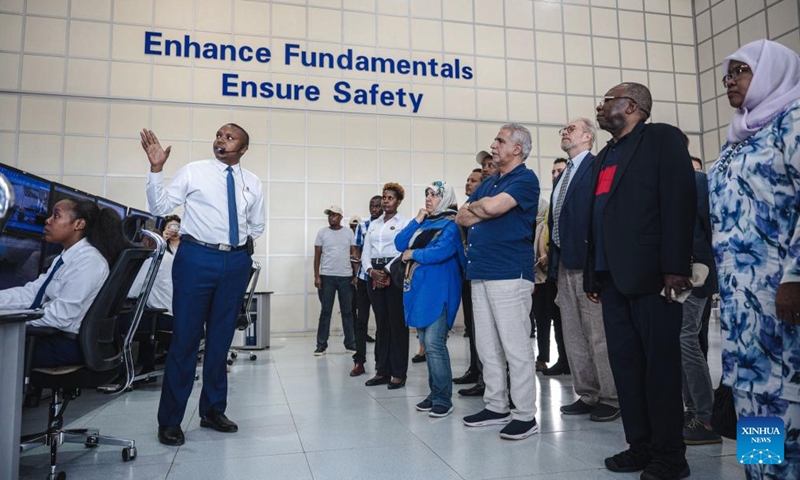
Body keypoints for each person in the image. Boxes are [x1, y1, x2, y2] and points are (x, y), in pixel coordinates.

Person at [584, 83, 696, 479]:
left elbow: (680, 201)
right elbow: (599, 216)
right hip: (612, 277)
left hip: (654, 275)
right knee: (627, 367)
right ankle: (641, 445)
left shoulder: (661, 139)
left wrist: (675, 265)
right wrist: (594, 273)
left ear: (631, 106)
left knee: (659, 367)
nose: (599, 106)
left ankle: (670, 455)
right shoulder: (605, 155)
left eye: (607, 100)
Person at [709, 39, 800, 480]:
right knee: (751, 401)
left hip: (782, 296)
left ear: (769, 72)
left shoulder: (793, 120)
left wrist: (796, 277)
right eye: (728, 74)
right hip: (741, 306)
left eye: (740, 71)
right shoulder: (737, 137)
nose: (730, 80)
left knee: (787, 402)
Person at [141, 123, 265, 447]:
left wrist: (236, 248)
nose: (220, 141)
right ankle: (170, 420)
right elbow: (159, 207)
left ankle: (212, 410)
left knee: (221, 341)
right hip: (196, 257)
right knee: (185, 339)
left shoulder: (252, 182)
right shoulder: (194, 172)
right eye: (218, 136)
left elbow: (258, 224)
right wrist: (156, 169)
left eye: (229, 137)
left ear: (243, 148)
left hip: (236, 262)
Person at [456, 123, 541, 441]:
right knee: (487, 346)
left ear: (517, 149)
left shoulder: (525, 179)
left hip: (509, 273)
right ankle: (496, 406)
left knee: (515, 346)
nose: (494, 145)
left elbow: (488, 208)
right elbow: (461, 216)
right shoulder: (490, 182)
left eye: (500, 140)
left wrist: (484, 209)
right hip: (480, 272)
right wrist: (483, 210)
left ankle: (524, 414)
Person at [1, 199, 129, 368]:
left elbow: (60, 316)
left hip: (64, 345)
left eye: (56, 216)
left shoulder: (89, 261)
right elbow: (33, 293)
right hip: (53, 338)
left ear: (79, 224)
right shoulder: (66, 257)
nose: (48, 220)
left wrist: (10, 321)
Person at [396, 181, 465, 418]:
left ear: (445, 199)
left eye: (434, 195)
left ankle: (443, 398)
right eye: (427, 194)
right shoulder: (424, 223)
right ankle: (434, 393)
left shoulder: (451, 224)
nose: (428, 198)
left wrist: (412, 253)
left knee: (435, 344)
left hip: (440, 289)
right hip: (418, 290)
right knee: (426, 341)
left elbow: (440, 252)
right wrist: (416, 219)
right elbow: (398, 243)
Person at [680, 169, 721, 445]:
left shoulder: (699, 180)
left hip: (703, 270)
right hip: (679, 273)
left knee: (685, 338)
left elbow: (712, 227)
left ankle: (706, 418)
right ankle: (697, 413)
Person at [361, 183, 410, 389]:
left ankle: (398, 373)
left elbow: (405, 249)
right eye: (384, 197)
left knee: (396, 323)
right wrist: (371, 271)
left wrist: (387, 271)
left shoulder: (405, 222)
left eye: (390, 197)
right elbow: (366, 251)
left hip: (395, 272)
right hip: (374, 274)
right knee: (381, 324)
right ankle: (382, 371)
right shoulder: (373, 224)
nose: (386, 200)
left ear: (398, 201)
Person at [313, 205, 357, 359]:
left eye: (334, 215)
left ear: (341, 217)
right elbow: (317, 255)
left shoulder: (349, 232)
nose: (331, 218)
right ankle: (321, 345)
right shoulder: (322, 233)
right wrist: (317, 276)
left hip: (346, 276)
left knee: (347, 312)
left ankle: (351, 344)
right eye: (329, 215)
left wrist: (356, 274)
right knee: (325, 312)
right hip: (327, 277)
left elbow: (353, 253)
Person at [453, 168, 484, 389]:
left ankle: (485, 376)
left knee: (483, 328)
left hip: (482, 271)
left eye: (473, 180)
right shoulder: (465, 207)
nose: (468, 183)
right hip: (466, 271)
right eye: (467, 179)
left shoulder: (484, 206)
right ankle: (474, 369)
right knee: (472, 327)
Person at [540, 159, 570, 377]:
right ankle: (563, 359)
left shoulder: (570, 199)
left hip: (567, 265)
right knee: (556, 316)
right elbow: (545, 232)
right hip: (551, 267)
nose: (555, 174)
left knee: (570, 318)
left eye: (560, 171)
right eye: (553, 171)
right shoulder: (553, 202)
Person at [351, 196, 382, 377]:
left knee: (381, 322)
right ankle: (359, 362)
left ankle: (380, 361)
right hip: (364, 278)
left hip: (380, 279)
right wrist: (357, 274)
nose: (374, 209)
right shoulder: (363, 226)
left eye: (377, 206)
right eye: (372, 205)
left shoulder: (387, 225)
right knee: (361, 321)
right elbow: (356, 251)